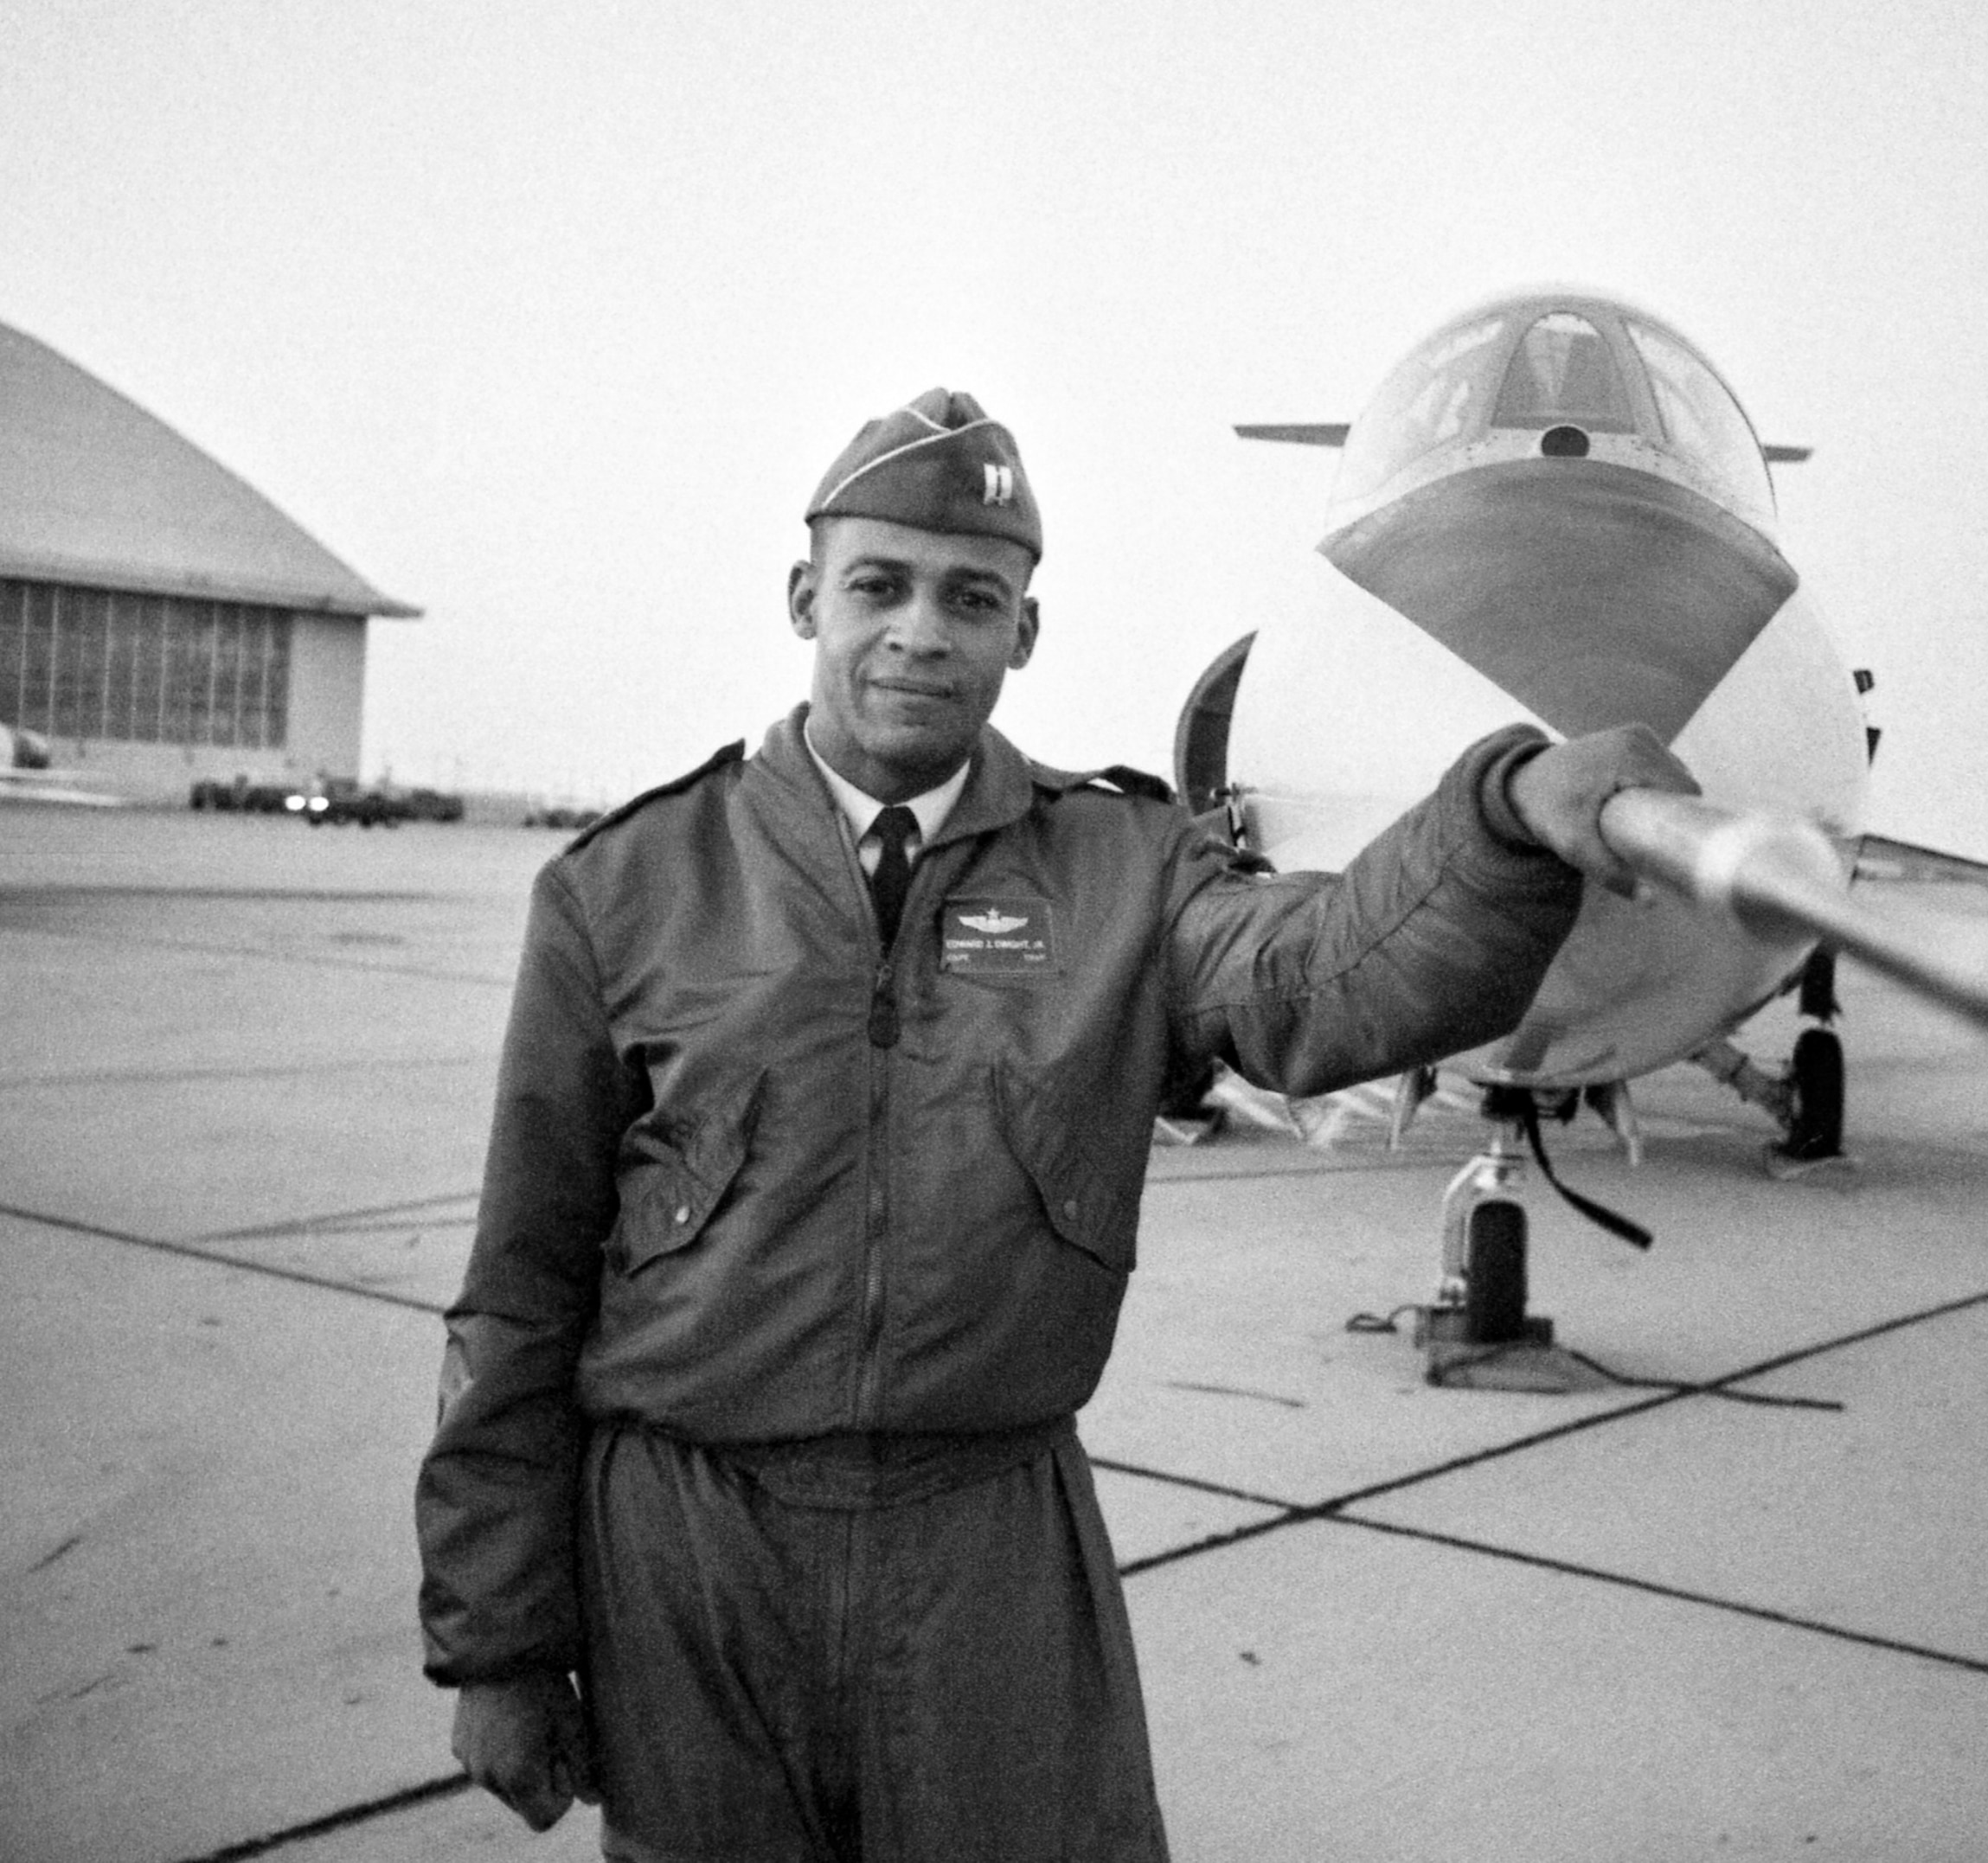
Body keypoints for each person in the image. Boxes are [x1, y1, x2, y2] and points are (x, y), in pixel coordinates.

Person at [414, 388, 1695, 1861]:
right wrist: (501, 1640)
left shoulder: (1122, 872)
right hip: (693, 1556)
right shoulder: (623, 889)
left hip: (987, 1547)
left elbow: (1328, 972)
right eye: (878, 587)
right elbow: (517, 1290)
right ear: (802, 598)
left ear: (1023, 631)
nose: (920, 633)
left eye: (973, 597)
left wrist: (1506, 815)